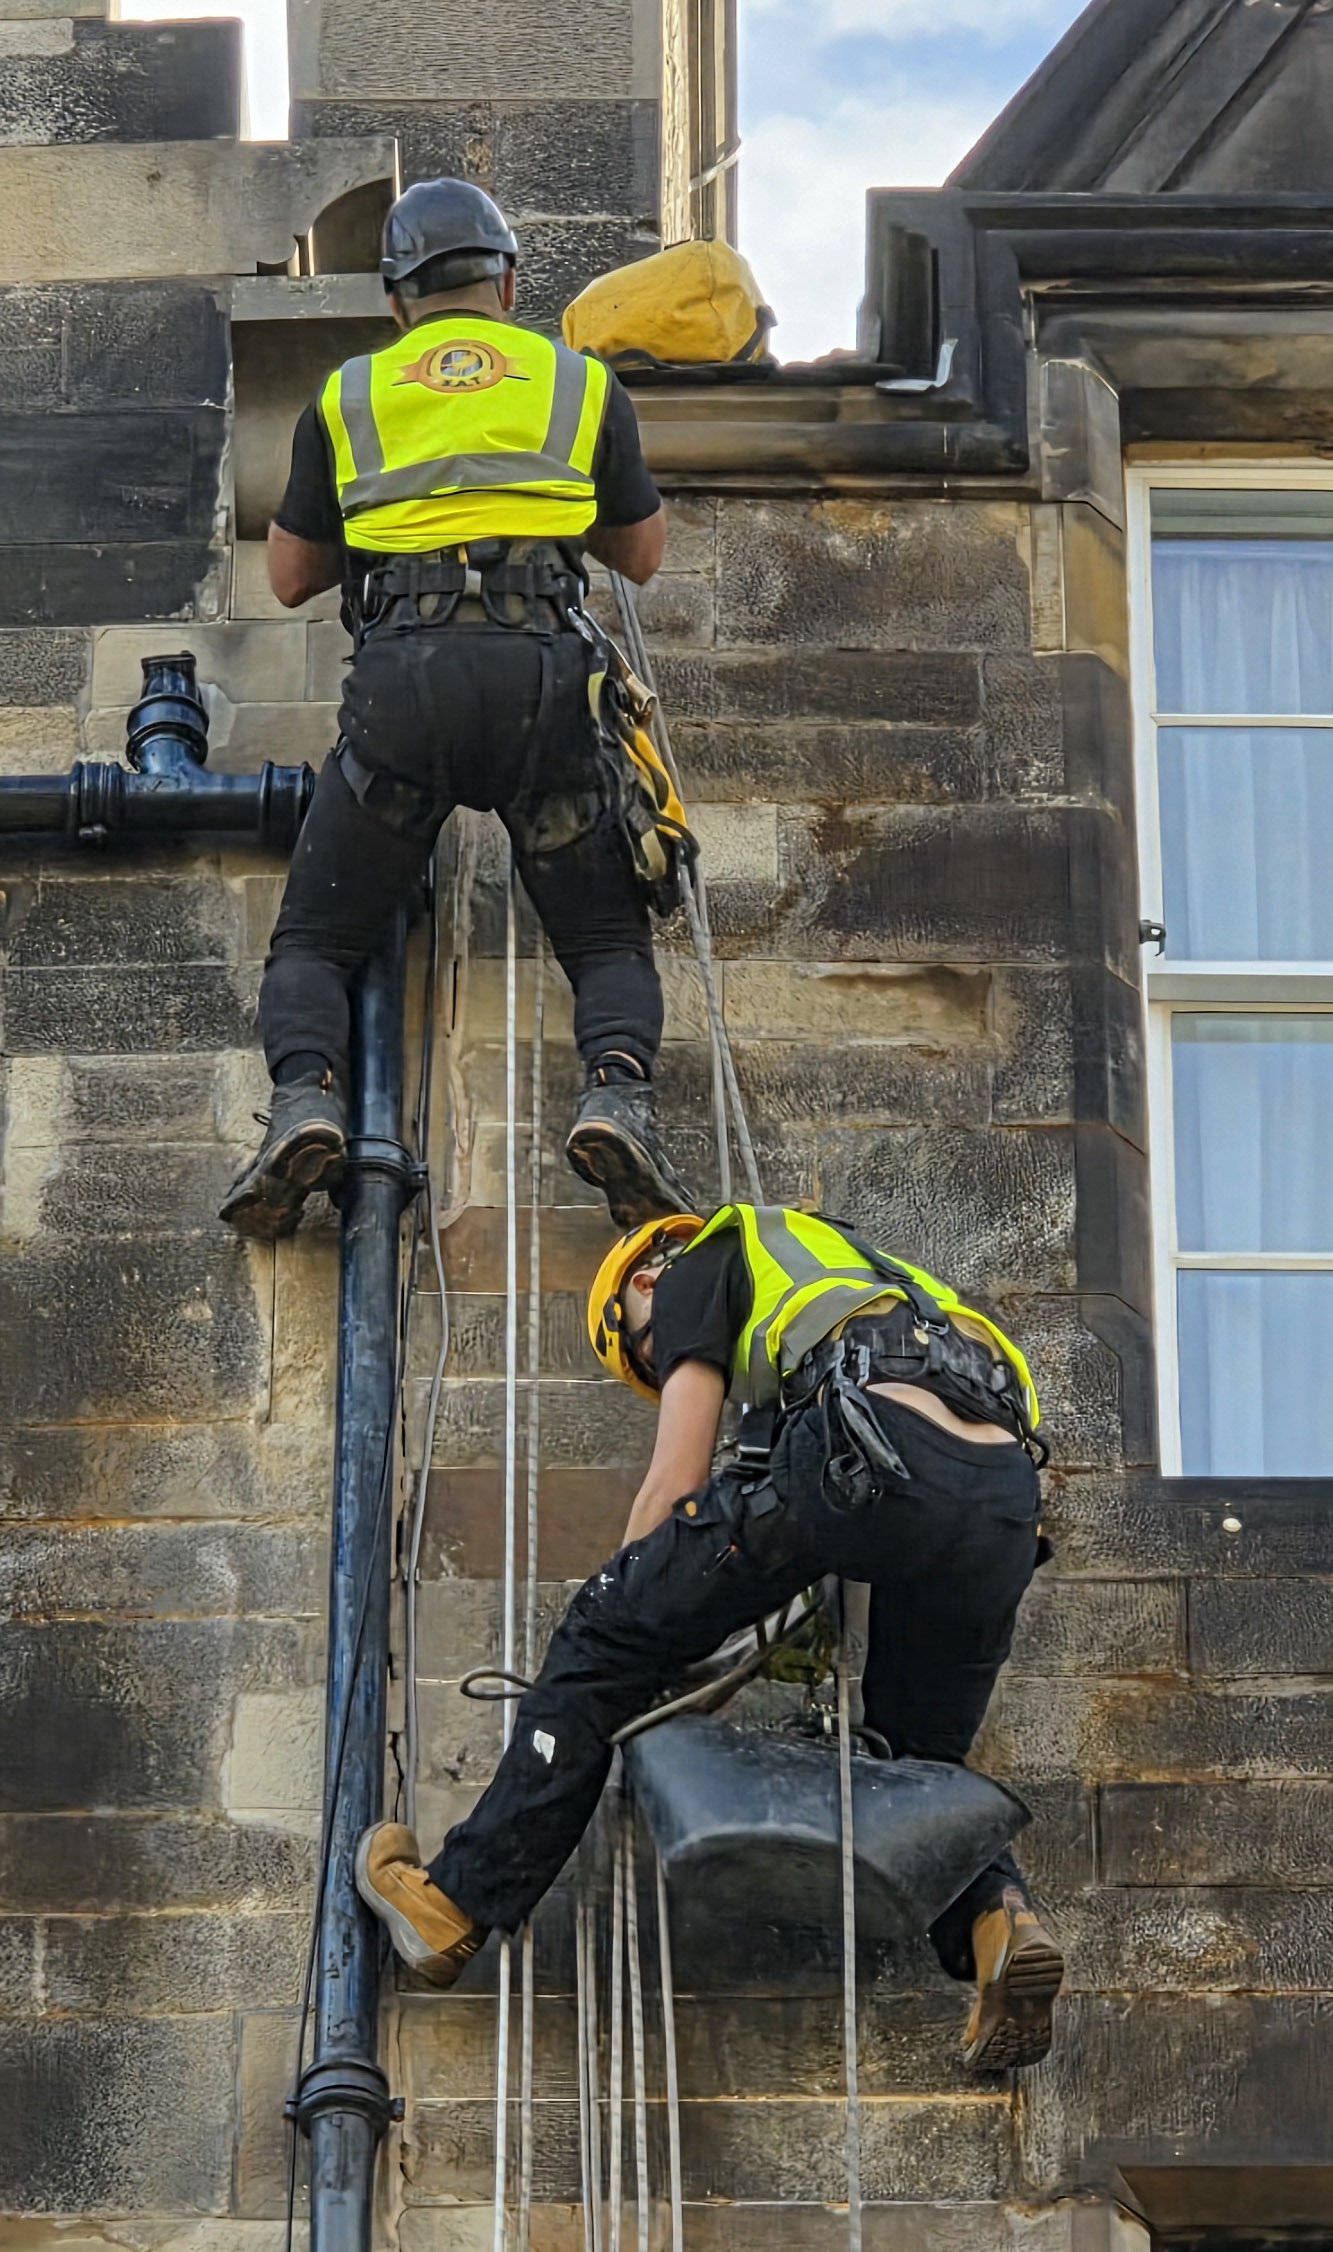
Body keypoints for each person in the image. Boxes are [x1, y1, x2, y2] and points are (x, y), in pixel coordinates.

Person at [354, 1205, 1068, 2071]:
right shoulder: (905, 1297)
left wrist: (638, 1600)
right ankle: (999, 1924)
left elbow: (678, 1478)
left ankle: (453, 1904)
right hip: (1001, 1507)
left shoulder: (698, 1262)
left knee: (605, 1633)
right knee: (921, 1768)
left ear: (642, 1285)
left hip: (872, 1451)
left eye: (651, 1357)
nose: (671, 1369)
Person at [221, 177, 692, 1241]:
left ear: (397, 300)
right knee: (605, 936)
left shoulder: (350, 396)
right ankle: (615, 1095)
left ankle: (304, 1101)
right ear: (508, 282)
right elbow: (641, 554)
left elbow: (290, 577)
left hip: (406, 688)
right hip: (544, 682)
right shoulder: (577, 384)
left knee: (315, 939)